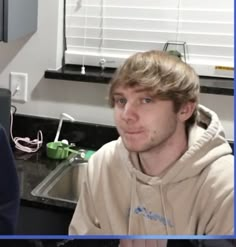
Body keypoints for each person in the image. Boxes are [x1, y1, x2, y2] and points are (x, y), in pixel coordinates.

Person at [69, 50, 233, 235]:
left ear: (185, 109)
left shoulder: (224, 187)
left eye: (146, 100)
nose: (126, 115)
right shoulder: (103, 164)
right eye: (121, 100)